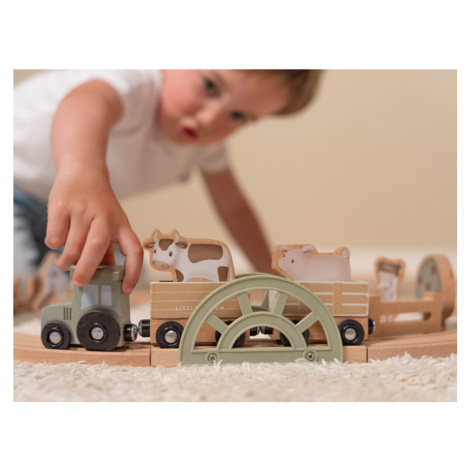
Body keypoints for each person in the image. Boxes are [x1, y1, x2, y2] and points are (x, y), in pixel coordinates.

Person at [14, 70, 322, 294]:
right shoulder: (134, 80)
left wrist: (271, 276)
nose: (210, 119)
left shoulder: (206, 145)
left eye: (238, 116)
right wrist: (83, 171)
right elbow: (85, 104)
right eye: (210, 86)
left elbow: (234, 209)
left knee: (125, 277)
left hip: (66, 217)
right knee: (16, 282)